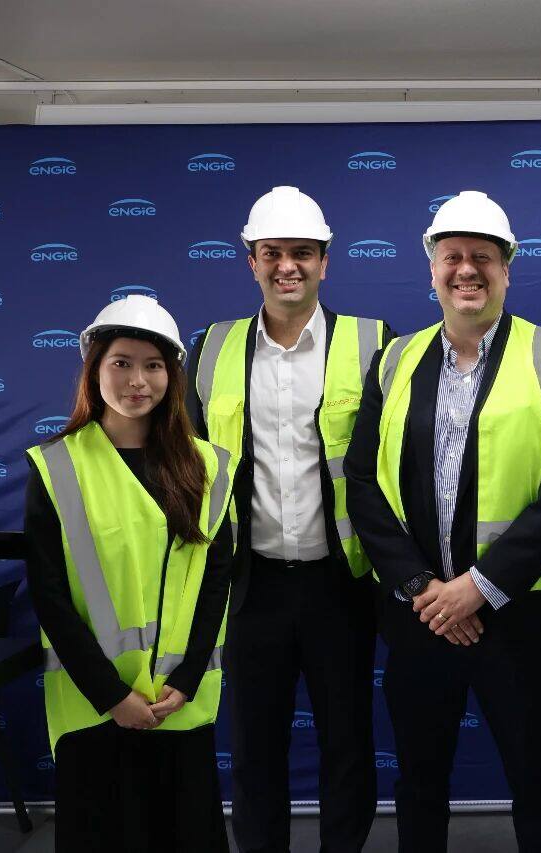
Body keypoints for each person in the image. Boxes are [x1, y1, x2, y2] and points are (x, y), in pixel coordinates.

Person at [344, 190, 541, 853]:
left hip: (517, 618)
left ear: (506, 268)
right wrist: (424, 588)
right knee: (420, 781)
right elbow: (362, 482)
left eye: (482, 257)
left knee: (535, 777)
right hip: (420, 615)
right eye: (452, 256)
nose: (466, 269)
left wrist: (477, 588)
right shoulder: (394, 360)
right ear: (432, 269)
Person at [185, 186, 392, 853]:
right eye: (272, 253)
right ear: (251, 261)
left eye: (301, 252)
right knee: (254, 749)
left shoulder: (375, 343)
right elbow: (185, 462)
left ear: (324, 261)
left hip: (342, 582)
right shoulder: (211, 348)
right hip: (251, 585)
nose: (287, 266)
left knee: (348, 742)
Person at [24, 295, 237, 851]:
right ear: (94, 369)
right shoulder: (58, 466)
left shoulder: (209, 466)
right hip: (95, 708)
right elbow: (49, 596)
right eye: (121, 362)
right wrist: (112, 695)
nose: (137, 380)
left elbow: (216, 582)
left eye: (153, 365)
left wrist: (186, 680)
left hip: (177, 704)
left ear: (172, 376)